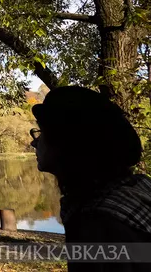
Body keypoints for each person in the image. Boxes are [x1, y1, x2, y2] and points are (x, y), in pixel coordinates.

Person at [30, 86, 151, 271]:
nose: (34, 141)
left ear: (67, 144)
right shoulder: (139, 188)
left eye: (41, 133)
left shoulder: (98, 225)